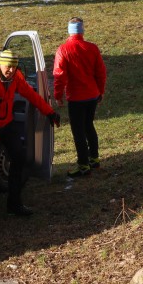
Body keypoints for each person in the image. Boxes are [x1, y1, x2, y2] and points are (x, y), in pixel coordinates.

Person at [0, 50, 60, 216]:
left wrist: (49, 112)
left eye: (14, 66)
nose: (11, 70)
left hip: (6, 123)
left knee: (19, 158)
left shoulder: (16, 77)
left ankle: (14, 203)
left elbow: (31, 95)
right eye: (8, 66)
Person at [53, 18, 107, 176]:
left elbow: (59, 75)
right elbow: (101, 72)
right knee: (89, 126)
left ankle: (83, 165)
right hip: (92, 95)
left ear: (69, 31)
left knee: (78, 132)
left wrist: (58, 95)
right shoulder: (92, 48)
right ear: (82, 30)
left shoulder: (63, 49)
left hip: (76, 98)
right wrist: (100, 91)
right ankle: (94, 159)